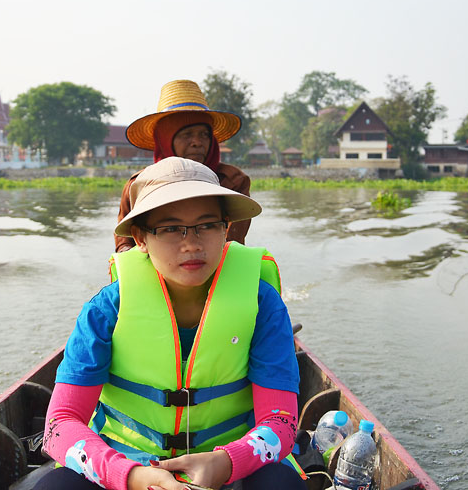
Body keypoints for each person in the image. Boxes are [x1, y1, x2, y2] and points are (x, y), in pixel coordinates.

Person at [37, 157, 306, 490]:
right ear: (140, 238)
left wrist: (226, 462)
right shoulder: (105, 310)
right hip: (129, 463)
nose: (191, 243)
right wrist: (131, 476)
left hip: (227, 466)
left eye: (207, 225)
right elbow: (59, 425)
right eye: (169, 228)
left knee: (281, 483)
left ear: (226, 229)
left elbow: (280, 422)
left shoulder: (262, 305)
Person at [115, 80, 251, 253]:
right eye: (186, 135)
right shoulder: (138, 185)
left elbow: (231, 242)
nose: (197, 143)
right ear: (165, 140)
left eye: (204, 135)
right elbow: (124, 242)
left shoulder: (232, 182)